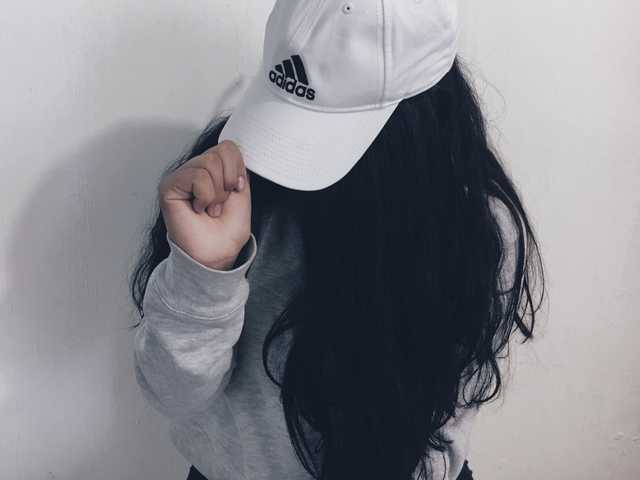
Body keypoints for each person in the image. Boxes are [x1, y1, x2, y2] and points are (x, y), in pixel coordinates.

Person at [129, 0, 545, 479]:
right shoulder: (229, 195)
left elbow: (443, 420)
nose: (281, 157)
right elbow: (172, 396)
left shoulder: (473, 232)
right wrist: (203, 274)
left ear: (417, 121)